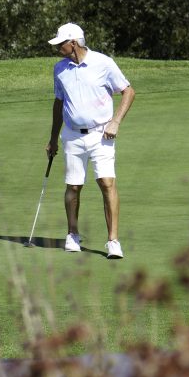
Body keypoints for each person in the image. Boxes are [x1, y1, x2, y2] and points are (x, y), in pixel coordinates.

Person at [46, 22, 135, 259]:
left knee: (107, 183)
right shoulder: (59, 69)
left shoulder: (103, 63)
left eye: (61, 44)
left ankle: (113, 241)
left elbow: (128, 91)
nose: (57, 48)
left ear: (73, 43)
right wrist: (53, 138)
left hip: (101, 135)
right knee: (73, 186)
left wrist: (115, 122)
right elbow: (58, 103)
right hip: (72, 136)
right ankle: (72, 234)